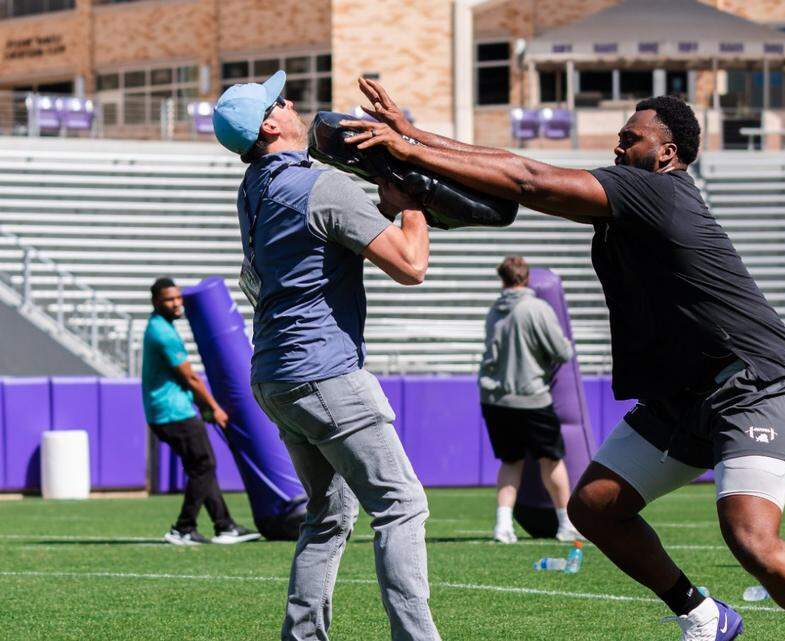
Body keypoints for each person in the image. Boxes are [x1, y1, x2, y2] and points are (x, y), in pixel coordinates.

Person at [343, 78, 785, 641]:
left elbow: (527, 178)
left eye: (629, 138)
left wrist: (411, 150)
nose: (618, 148)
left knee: (750, 538)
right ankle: (705, 616)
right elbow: (516, 166)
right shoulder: (633, 196)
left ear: (666, 153)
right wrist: (412, 135)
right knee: (593, 509)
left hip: (752, 378)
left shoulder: (658, 191)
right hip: (683, 392)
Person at [211, 71, 440, 641]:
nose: (292, 102)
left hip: (275, 374)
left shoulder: (255, 187)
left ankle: (303, 636)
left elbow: (317, 244)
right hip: (323, 371)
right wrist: (411, 204)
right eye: (281, 100)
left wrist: (382, 203)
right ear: (269, 124)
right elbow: (411, 266)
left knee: (329, 516)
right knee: (401, 505)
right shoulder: (321, 186)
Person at [142, 277, 260, 546]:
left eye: (177, 298)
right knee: (204, 466)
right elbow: (191, 378)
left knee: (201, 467)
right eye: (168, 300)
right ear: (155, 302)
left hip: (171, 411)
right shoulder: (162, 333)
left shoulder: (161, 327)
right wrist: (214, 408)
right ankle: (183, 528)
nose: (175, 304)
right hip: (173, 413)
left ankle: (224, 525)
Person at [478, 255, 578, 544]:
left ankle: (503, 526)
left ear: (503, 279)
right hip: (531, 395)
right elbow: (562, 352)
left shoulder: (495, 309)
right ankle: (565, 523)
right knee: (552, 459)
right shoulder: (537, 308)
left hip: (495, 398)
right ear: (526, 278)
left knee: (511, 461)